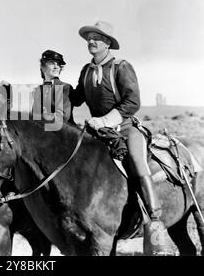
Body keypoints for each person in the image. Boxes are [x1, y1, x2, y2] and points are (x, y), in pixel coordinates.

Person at [71, 21, 167, 255]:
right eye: (89, 38)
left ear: (108, 43)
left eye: (97, 38)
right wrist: (51, 82)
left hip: (124, 128)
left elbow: (132, 102)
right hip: (97, 132)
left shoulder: (121, 67)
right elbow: (75, 99)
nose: (91, 41)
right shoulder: (86, 71)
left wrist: (105, 120)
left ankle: (155, 223)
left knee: (136, 161)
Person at [31, 50, 75, 126]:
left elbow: (64, 118)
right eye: (51, 63)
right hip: (43, 131)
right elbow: (34, 117)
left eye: (58, 64)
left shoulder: (65, 88)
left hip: (65, 133)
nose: (56, 67)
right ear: (43, 67)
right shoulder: (39, 90)